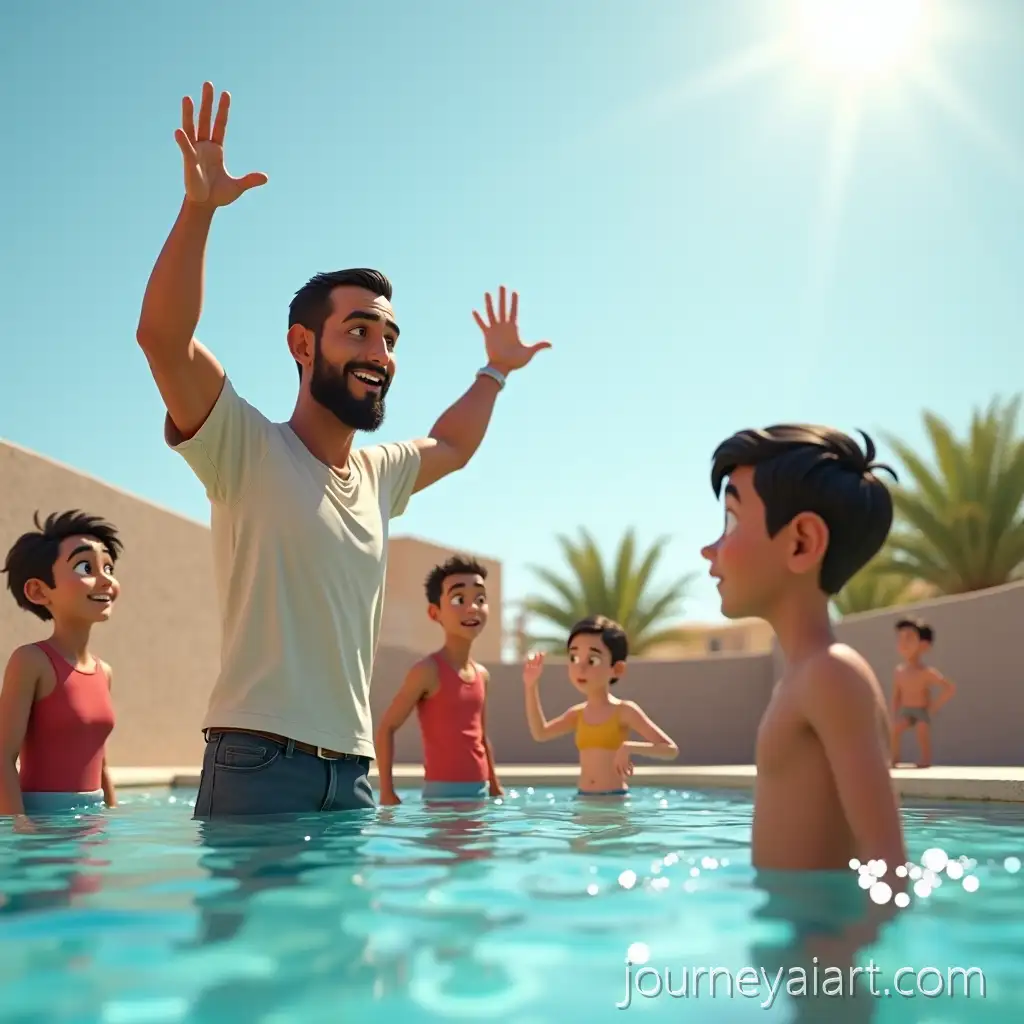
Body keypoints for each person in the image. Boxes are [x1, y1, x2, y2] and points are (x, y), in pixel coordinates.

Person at [135, 82, 550, 818]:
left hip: (352, 772)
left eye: (389, 338)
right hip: (257, 760)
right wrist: (199, 210)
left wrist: (493, 372)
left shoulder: (379, 474)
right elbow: (164, 341)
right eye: (358, 331)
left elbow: (453, 443)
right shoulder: (244, 446)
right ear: (303, 345)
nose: (380, 353)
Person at [701, 425, 908, 885]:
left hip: (818, 933)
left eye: (731, 522)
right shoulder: (803, 677)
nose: (708, 549)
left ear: (801, 542)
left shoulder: (831, 674)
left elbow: (887, 861)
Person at [0, 511, 121, 823]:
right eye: (86, 567)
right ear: (39, 591)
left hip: (93, 819)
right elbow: (2, 757)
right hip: (43, 822)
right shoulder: (31, 661)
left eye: (108, 567)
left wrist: (113, 818)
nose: (106, 580)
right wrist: (20, 829)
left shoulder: (104, 671)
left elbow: (101, 761)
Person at [375, 555, 503, 803]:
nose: (472, 608)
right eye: (459, 599)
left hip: (480, 793)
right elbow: (386, 728)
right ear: (435, 613)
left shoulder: (481, 675)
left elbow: (481, 736)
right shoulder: (427, 671)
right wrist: (386, 792)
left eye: (480, 599)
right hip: (441, 797)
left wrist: (495, 786)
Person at [522, 615, 678, 797]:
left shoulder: (624, 711)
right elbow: (540, 733)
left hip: (614, 800)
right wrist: (530, 686)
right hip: (583, 798)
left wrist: (629, 747)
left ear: (617, 669)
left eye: (592, 660)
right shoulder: (577, 714)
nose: (581, 668)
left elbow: (670, 750)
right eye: (574, 658)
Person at [891, 618, 955, 768]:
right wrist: (893, 714)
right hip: (906, 711)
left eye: (909, 638)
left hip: (921, 711)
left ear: (923, 645)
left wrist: (934, 707)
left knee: (922, 731)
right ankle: (894, 758)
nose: (903, 643)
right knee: (895, 730)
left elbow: (949, 688)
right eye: (900, 638)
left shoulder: (926, 672)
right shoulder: (899, 671)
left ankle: (925, 759)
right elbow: (896, 695)